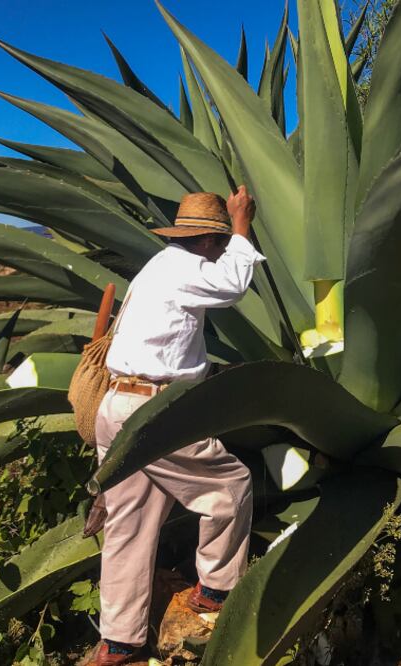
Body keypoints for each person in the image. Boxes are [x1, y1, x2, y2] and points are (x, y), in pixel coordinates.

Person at [93, 187, 264, 665]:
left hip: (117, 401)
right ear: (208, 242)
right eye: (219, 243)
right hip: (155, 409)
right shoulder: (185, 269)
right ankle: (216, 588)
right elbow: (233, 286)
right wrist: (242, 222)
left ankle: (120, 641)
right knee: (230, 486)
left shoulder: (155, 267)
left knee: (130, 520)